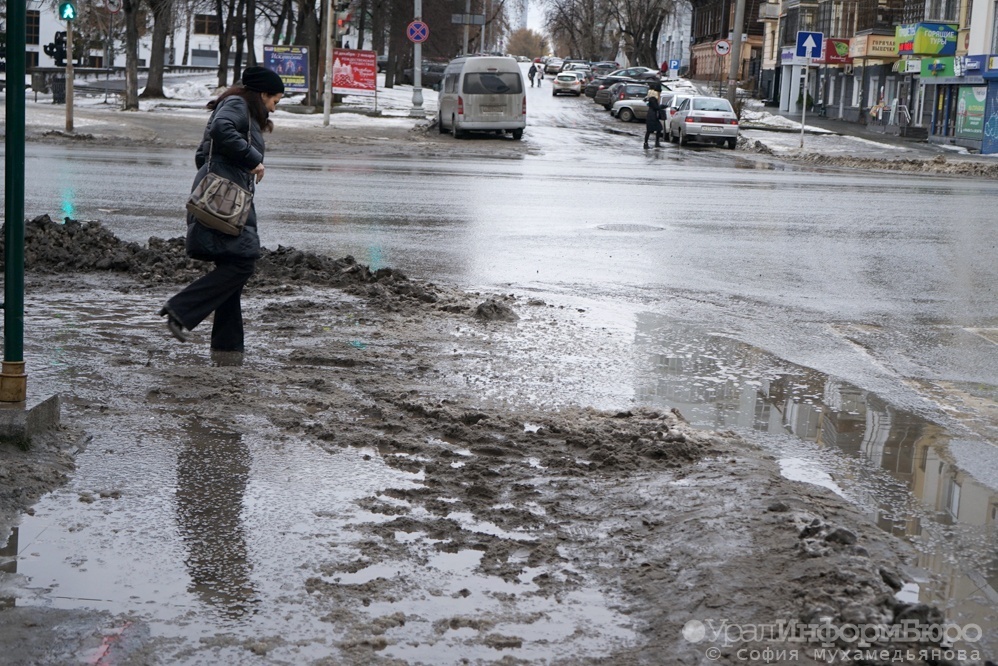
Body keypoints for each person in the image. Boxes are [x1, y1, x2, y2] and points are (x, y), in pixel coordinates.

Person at [159, 66, 285, 364]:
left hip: (227, 195)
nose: (273, 108)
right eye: (274, 101)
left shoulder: (241, 108)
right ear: (262, 94)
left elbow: (204, 153)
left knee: (233, 270)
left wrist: (219, 172)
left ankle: (227, 350)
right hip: (226, 199)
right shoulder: (238, 105)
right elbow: (219, 131)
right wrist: (252, 162)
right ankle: (180, 309)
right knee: (243, 263)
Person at [644, 84, 664, 149]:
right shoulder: (653, 98)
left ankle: (656, 143)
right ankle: (646, 144)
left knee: (658, 129)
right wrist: (662, 106)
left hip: (653, 116)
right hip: (651, 116)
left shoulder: (653, 98)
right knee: (650, 130)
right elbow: (655, 107)